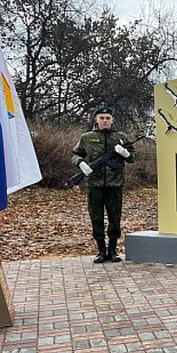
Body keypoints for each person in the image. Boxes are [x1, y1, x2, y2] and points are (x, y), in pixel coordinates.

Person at [71, 106, 136, 264]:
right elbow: (75, 154)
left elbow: (132, 157)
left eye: (108, 118)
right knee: (96, 218)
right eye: (102, 118)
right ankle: (101, 250)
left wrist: (125, 153)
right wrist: (80, 163)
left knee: (115, 218)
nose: (105, 120)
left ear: (113, 120)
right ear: (96, 120)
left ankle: (113, 250)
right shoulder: (87, 137)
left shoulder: (121, 137)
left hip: (115, 185)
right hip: (95, 185)